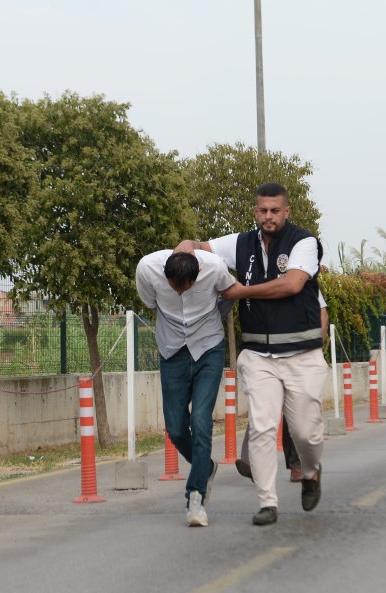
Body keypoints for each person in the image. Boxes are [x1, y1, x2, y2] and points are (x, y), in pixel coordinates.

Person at [178, 182, 328, 526]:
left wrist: (241, 291)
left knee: (306, 432)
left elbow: (291, 284)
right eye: (262, 210)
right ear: (255, 211)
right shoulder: (240, 243)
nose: (268, 217)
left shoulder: (304, 242)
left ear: (286, 212)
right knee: (261, 427)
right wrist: (185, 247)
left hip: (301, 353)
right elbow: (200, 248)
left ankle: (310, 471)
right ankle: (267, 502)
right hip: (258, 354)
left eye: (275, 211)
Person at [136, 249, 237, 527]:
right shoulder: (147, 269)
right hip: (172, 351)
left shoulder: (214, 268)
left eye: (185, 288)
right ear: (165, 276)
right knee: (176, 428)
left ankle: (196, 498)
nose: (178, 292)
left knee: (201, 421)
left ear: (196, 278)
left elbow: (229, 292)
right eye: (172, 286)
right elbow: (150, 303)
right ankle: (205, 466)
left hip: (208, 348)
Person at [236, 292, 328, 483]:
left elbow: (322, 313)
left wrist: (314, 348)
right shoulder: (260, 280)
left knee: (295, 414)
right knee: (262, 409)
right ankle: (251, 460)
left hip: (297, 358)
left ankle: (298, 465)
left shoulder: (301, 277)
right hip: (266, 357)